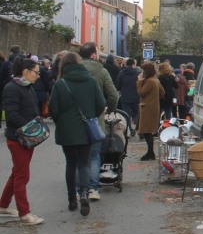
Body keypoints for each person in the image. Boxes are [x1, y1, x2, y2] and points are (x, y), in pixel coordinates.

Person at [49, 52, 106, 217]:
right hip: (86, 128)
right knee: (84, 163)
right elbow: (101, 103)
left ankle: (71, 198)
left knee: (70, 163)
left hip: (67, 129)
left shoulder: (60, 83)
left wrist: (62, 120)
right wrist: (91, 115)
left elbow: (54, 108)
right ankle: (84, 193)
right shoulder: (90, 81)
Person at [0, 57, 46, 224]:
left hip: (26, 138)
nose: (38, 76)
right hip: (18, 138)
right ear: (25, 71)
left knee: (16, 173)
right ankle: (24, 213)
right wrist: (31, 127)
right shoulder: (12, 88)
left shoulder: (27, 87)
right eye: (36, 72)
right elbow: (11, 116)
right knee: (22, 176)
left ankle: (3, 205)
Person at [78, 42, 119, 201]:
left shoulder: (72, 70)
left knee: (77, 156)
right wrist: (109, 110)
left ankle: (78, 188)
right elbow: (113, 95)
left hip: (75, 119)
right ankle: (93, 188)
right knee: (95, 155)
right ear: (94, 55)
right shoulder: (102, 72)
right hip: (96, 118)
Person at [137, 62, 164, 160]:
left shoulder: (149, 81)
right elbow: (162, 92)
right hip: (152, 107)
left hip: (148, 108)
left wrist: (139, 81)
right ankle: (150, 152)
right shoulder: (155, 80)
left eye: (143, 70)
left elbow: (141, 92)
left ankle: (150, 152)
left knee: (146, 131)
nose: (141, 73)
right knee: (147, 131)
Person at [116, 58, 140, 135]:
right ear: (133, 64)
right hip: (136, 96)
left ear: (126, 64)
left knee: (126, 113)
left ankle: (129, 128)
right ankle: (136, 128)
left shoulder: (121, 73)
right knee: (136, 112)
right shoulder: (137, 73)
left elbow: (118, 85)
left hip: (125, 96)